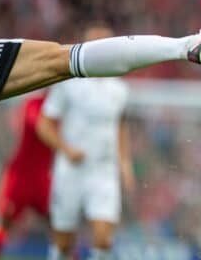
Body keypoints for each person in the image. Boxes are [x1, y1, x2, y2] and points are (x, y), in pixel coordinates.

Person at [0, 11, 201, 105]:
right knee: (63, 60)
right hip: (70, 170)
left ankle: (186, 47)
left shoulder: (116, 94)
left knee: (64, 60)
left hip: (95, 172)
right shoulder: (66, 95)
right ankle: (186, 46)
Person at [36, 25, 135, 260]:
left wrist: (125, 163)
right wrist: (67, 150)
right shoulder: (69, 83)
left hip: (103, 171)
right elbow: (44, 124)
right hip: (71, 170)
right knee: (63, 242)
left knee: (103, 238)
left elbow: (120, 126)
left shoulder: (120, 89)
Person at [0, 94, 52, 259]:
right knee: (3, 226)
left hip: (42, 178)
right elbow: (39, 126)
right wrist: (64, 144)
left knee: (61, 226)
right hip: (20, 177)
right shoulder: (34, 103)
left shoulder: (63, 107)